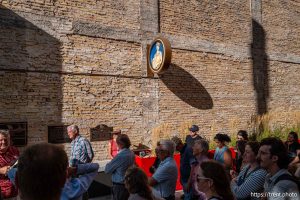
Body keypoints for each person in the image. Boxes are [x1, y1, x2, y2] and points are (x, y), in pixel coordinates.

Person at [105, 134, 135, 200]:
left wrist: (110, 163)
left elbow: (107, 170)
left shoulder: (120, 156)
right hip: (128, 183)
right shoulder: (131, 153)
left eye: (117, 143)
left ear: (121, 144)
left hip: (120, 186)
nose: (116, 145)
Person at [0, 130, 19, 199]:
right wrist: (0, 170)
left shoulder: (14, 150)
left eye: (6, 139)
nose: (4, 142)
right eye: (1, 140)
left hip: (14, 193)